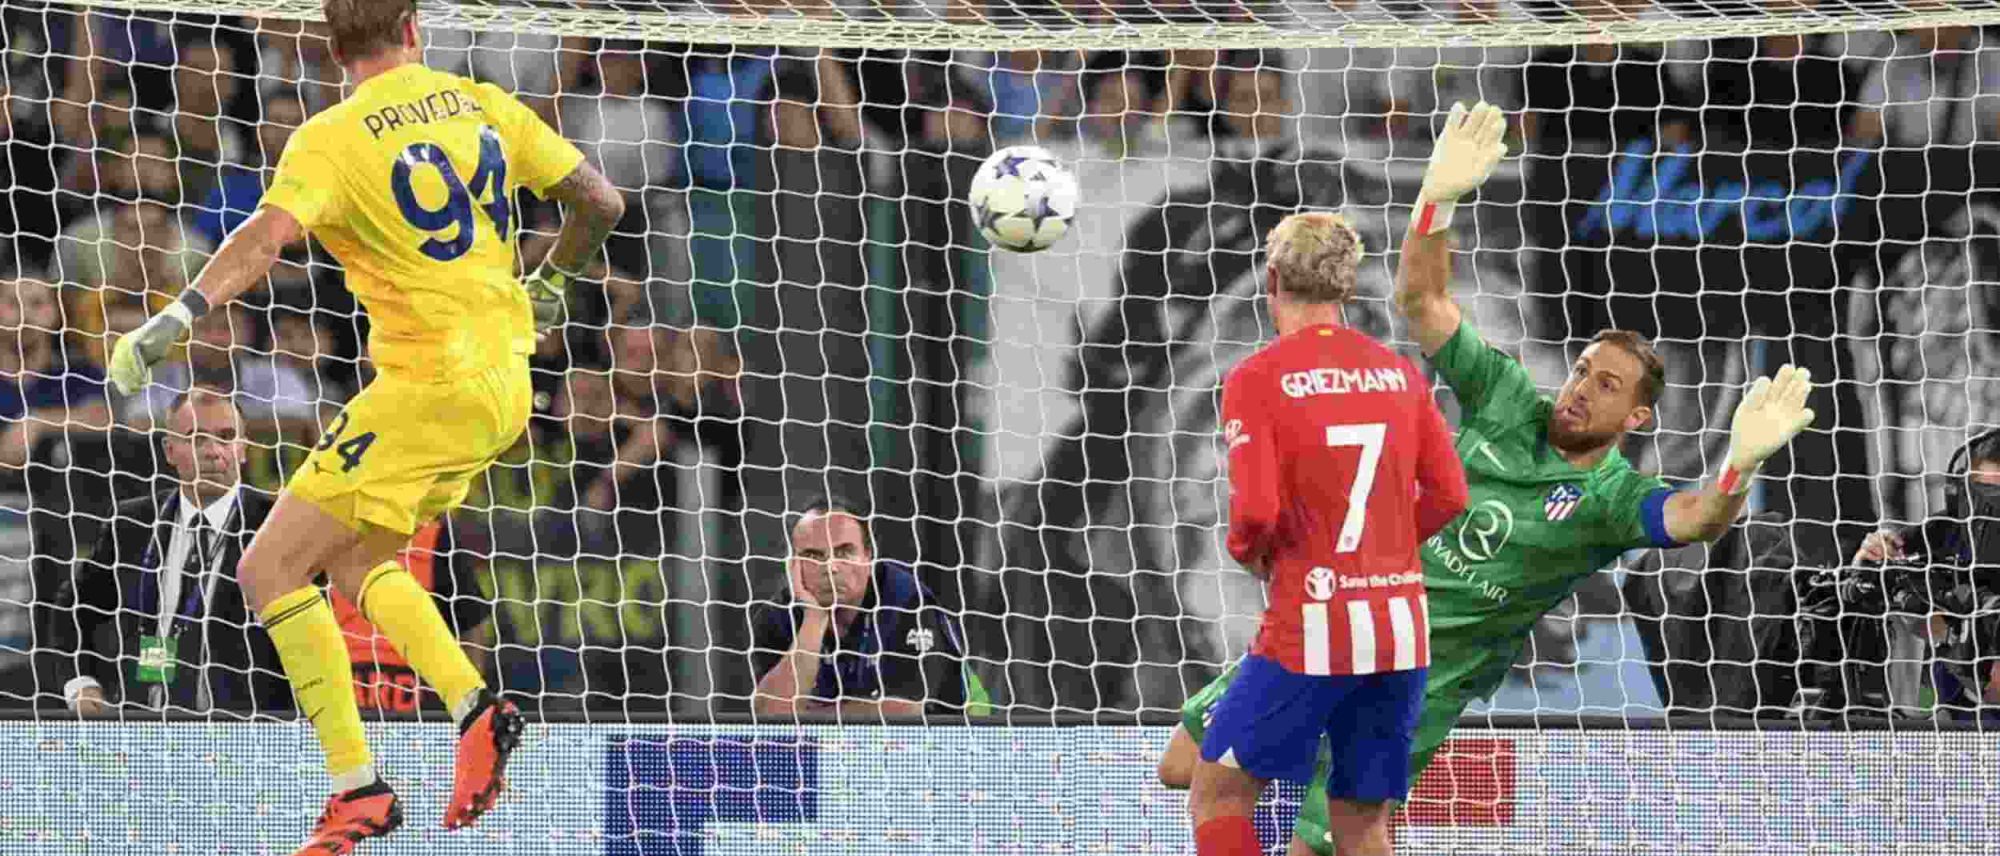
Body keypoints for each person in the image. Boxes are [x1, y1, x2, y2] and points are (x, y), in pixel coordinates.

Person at [1158, 102, 1820, 856]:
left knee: (1324, 831)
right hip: (1337, 617)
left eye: (1605, 385)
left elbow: (1698, 520)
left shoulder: (1613, 501)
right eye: (1581, 370)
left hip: (1424, 673)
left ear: (1638, 417)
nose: (1580, 389)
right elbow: (1423, 302)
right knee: (1185, 766)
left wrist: (1741, 462)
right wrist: (1436, 201)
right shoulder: (1508, 398)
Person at [104, 0, 624, 851]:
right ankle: (475, 709)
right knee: (356, 559)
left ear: (327, 45)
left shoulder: (332, 137)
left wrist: (177, 316)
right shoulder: (483, 102)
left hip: (425, 387)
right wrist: (554, 280)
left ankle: (357, 788)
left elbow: (266, 238)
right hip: (506, 386)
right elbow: (601, 202)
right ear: (413, 27)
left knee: (268, 568)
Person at [1184, 212, 1469, 856]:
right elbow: (1451, 495)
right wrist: (1385, 550)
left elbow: (1256, 513)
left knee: (1218, 795)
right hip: (1400, 628)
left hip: (1312, 623)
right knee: (1361, 824)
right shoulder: (1400, 373)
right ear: (1347, 286)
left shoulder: (1258, 377)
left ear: (1272, 279)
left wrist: (1250, 554)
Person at [51, 387, 287, 715]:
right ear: (169, 450)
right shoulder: (133, 523)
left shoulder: (278, 526)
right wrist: (81, 683)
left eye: (226, 437)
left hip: (248, 733)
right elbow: (72, 606)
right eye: (196, 438)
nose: (213, 451)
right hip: (143, 727)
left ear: (243, 449)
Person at [749, 495, 984, 716]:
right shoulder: (777, 617)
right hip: (832, 743)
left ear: (868, 557)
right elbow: (771, 718)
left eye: (844, 552)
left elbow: (907, 715)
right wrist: (814, 619)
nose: (831, 567)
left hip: (963, 734)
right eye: (813, 556)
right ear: (793, 564)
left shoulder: (909, 603)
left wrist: (807, 717)